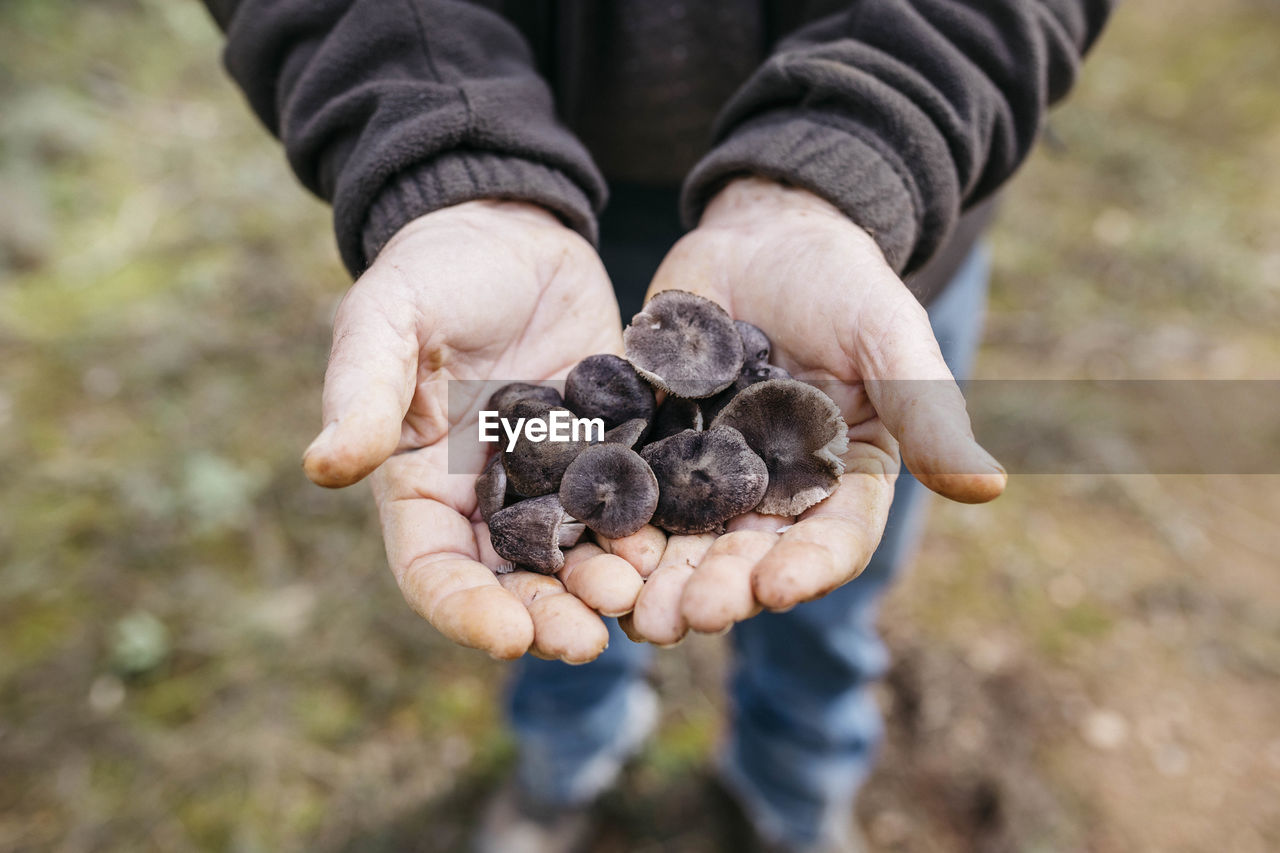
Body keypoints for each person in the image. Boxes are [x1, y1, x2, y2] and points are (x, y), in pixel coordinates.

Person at [201, 2, 1112, 850]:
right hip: (544, 199)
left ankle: (794, 790)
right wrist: (447, 168)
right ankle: (563, 765)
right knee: (560, 603)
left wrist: (857, 159)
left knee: (828, 599)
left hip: (878, 213)